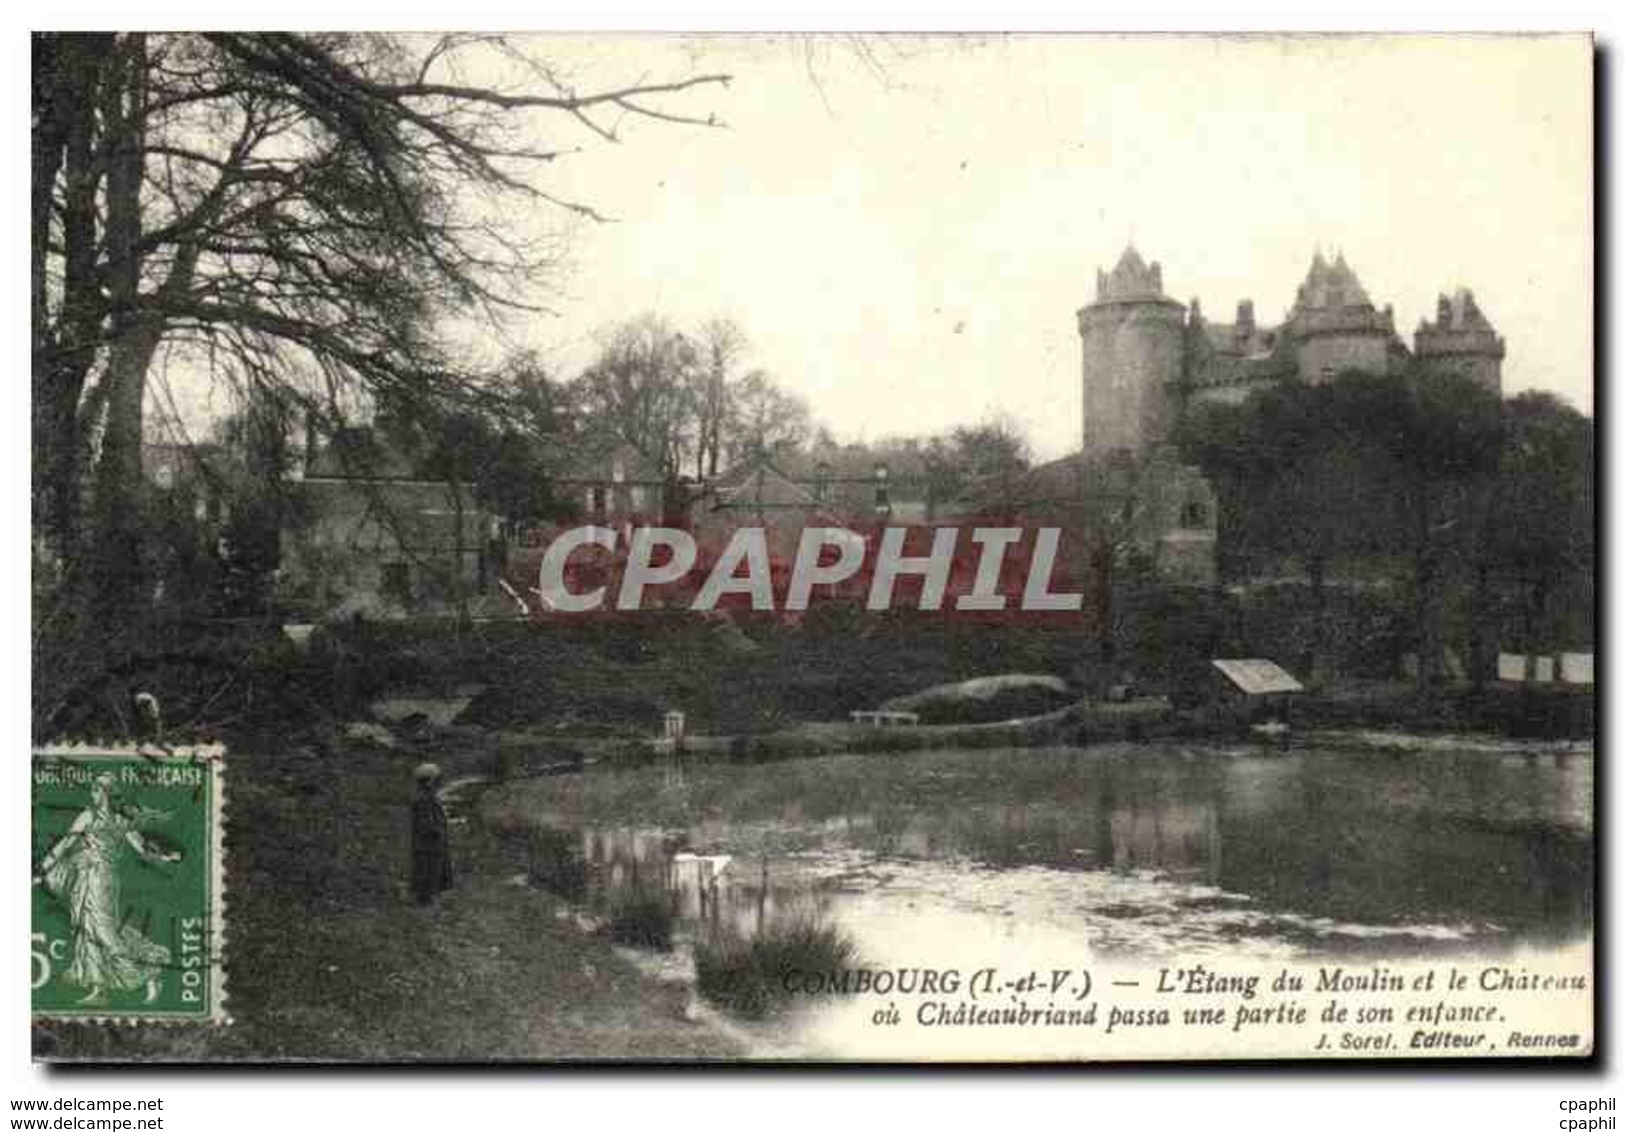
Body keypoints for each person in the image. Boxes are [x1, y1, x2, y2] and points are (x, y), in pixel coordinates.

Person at [37, 774, 180, 1005]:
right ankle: (98, 988)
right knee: (87, 929)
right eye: (93, 789)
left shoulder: (119, 821)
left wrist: (166, 855)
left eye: (96, 790)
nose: (93, 794)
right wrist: (41, 871)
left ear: (106, 793)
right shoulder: (89, 816)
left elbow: (142, 847)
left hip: (103, 880)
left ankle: (149, 972)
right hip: (85, 879)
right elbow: (65, 843)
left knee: (105, 932)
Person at [411, 763, 453, 905]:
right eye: (437, 780)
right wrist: (437, 830)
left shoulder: (427, 797)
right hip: (428, 844)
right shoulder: (424, 799)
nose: (439, 783)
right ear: (430, 781)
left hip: (431, 843)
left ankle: (428, 898)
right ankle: (425, 901)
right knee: (427, 870)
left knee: (431, 870)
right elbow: (426, 824)